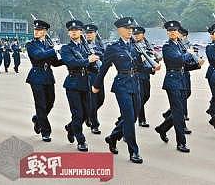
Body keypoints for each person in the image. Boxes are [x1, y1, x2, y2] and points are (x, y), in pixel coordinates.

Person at [93, 16, 159, 163]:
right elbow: (103, 69)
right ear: (119, 30)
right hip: (122, 85)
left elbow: (141, 67)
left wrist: (152, 68)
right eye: (127, 29)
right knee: (129, 118)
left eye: (131, 29)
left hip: (135, 84)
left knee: (133, 117)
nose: (130, 31)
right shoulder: (113, 48)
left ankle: (112, 137)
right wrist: (96, 85)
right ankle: (133, 151)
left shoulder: (136, 46)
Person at [154, 20, 202, 152]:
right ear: (167, 33)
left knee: (178, 111)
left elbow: (184, 65)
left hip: (181, 79)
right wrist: (190, 53)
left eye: (174, 31)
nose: (172, 33)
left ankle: (163, 128)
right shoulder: (167, 47)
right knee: (179, 112)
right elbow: (179, 59)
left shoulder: (179, 46)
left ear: (178, 32)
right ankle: (181, 143)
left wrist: (197, 65)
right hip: (172, 81)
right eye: (170, 31)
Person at [61, 19, 100, 152]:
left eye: (76, 30)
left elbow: (93, 64)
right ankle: (81, 140)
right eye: (71, 31)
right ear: (68, 33)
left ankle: (71, 127)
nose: (74, 32)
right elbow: (71, 62)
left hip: (86, 82)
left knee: (87, 112)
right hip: (73, 83)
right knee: (77, 113)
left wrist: (96, 63)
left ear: (80, 32)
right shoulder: (66, 48)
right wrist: (87, 60)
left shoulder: (85, 47)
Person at [26, 19, 63, 142]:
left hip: (48, 77)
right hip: (36, 76)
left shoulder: (48, 45)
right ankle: (45, 131)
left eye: (39, 30)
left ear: (45, 32)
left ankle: (38, 119)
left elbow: (55, 63)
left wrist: (66, 58)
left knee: (50, 102)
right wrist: (54, 49)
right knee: (41, 104)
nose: (36, 32)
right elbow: (38, 55)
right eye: (35, 30)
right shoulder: (31, 44)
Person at [84, 23, 105, 134]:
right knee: (93, 100)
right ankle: (94, 124)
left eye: (91, 33)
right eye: (87, 33)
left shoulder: (99, 46)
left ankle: (88, 115)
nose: (89, 35)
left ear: (96, 34)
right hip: (90, 75)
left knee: (101, 99)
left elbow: (104, 56)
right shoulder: (83, 45)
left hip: (99, 75)